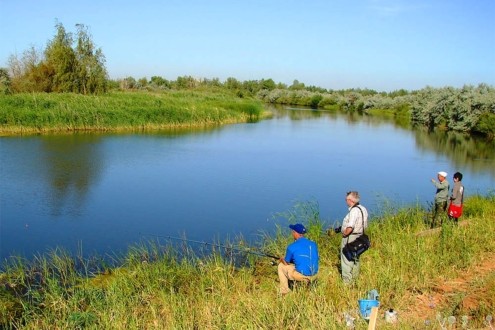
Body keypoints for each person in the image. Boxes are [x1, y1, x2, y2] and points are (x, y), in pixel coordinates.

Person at [337, 191, 369, 285]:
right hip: (360, 236)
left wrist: (345, 234)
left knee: (346, 258)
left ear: (350, 200)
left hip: (351, 237)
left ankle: (347, 282)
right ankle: (355, 279)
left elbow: (350, 227)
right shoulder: (363, 208)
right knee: (356, 257)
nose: (345, 201)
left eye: (346, 199)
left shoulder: (354, 211)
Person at [278, 223, 319, 295]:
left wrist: (282, 259)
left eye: (293, 232)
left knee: (281, 266)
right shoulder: (313, 244)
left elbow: (286, 263)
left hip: (304, 276)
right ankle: (309, 286)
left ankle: (284, 291)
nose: (292, 233)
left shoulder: (291, 247)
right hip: (315, 274)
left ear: (295, 233)